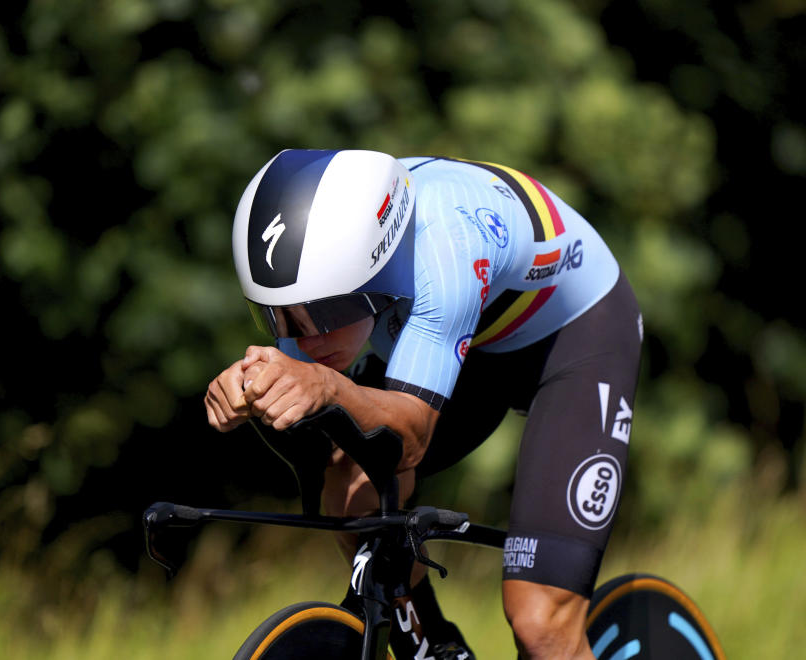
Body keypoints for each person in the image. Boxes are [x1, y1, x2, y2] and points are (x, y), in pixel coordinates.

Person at [205, 149, 642, 660]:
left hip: (573, 337)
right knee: (352, 488)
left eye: (314, 315)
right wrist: (255, 391)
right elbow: (324, 431)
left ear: (370, 282)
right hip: (471, 338)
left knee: (540, 623)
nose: (296, 339)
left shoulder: (446, 249)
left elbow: (409, 439)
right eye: (274, 317)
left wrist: (323, 385)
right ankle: (438, 647)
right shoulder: (337, 273)